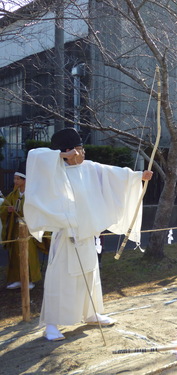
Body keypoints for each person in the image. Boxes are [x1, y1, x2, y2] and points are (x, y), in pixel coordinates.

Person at [23, 127, 153, 341]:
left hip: (86, 237)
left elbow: (115, 174)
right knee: (60, 281)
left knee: (91, 277)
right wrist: (61, 156)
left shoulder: (90, 168)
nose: (84, 154)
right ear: (69, 151)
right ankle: (51, 324)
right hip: (66, 238)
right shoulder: (55, 170)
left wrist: (139, 176)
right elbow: (35, 157)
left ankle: (91, 313)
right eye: (80, 150)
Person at [0, 164, 45, 290]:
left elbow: (37, 209)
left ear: (25, 180)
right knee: (15, 254)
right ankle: (17, 279)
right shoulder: (14, 194)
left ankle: (30, 279)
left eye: (17, 179)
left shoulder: (31, 194)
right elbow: (3, 207)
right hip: (15, 228)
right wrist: (8, 210)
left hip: (28, 227)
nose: (15, 181)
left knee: (28, 253)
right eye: (14, 179)